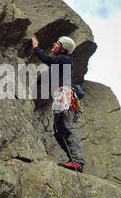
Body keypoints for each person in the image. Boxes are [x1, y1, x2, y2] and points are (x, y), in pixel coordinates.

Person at [31, 36, 85, 173]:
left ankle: (77, 161)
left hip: (64, 94)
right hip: (60, 95)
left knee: (66, 126)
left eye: (57, 43)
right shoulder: (59, 65)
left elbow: (48, 60)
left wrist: (36, 47)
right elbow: (47, 76)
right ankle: (73, 159)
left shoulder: (65, 59)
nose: (54, 44)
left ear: (63, 48)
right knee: (58, 129)